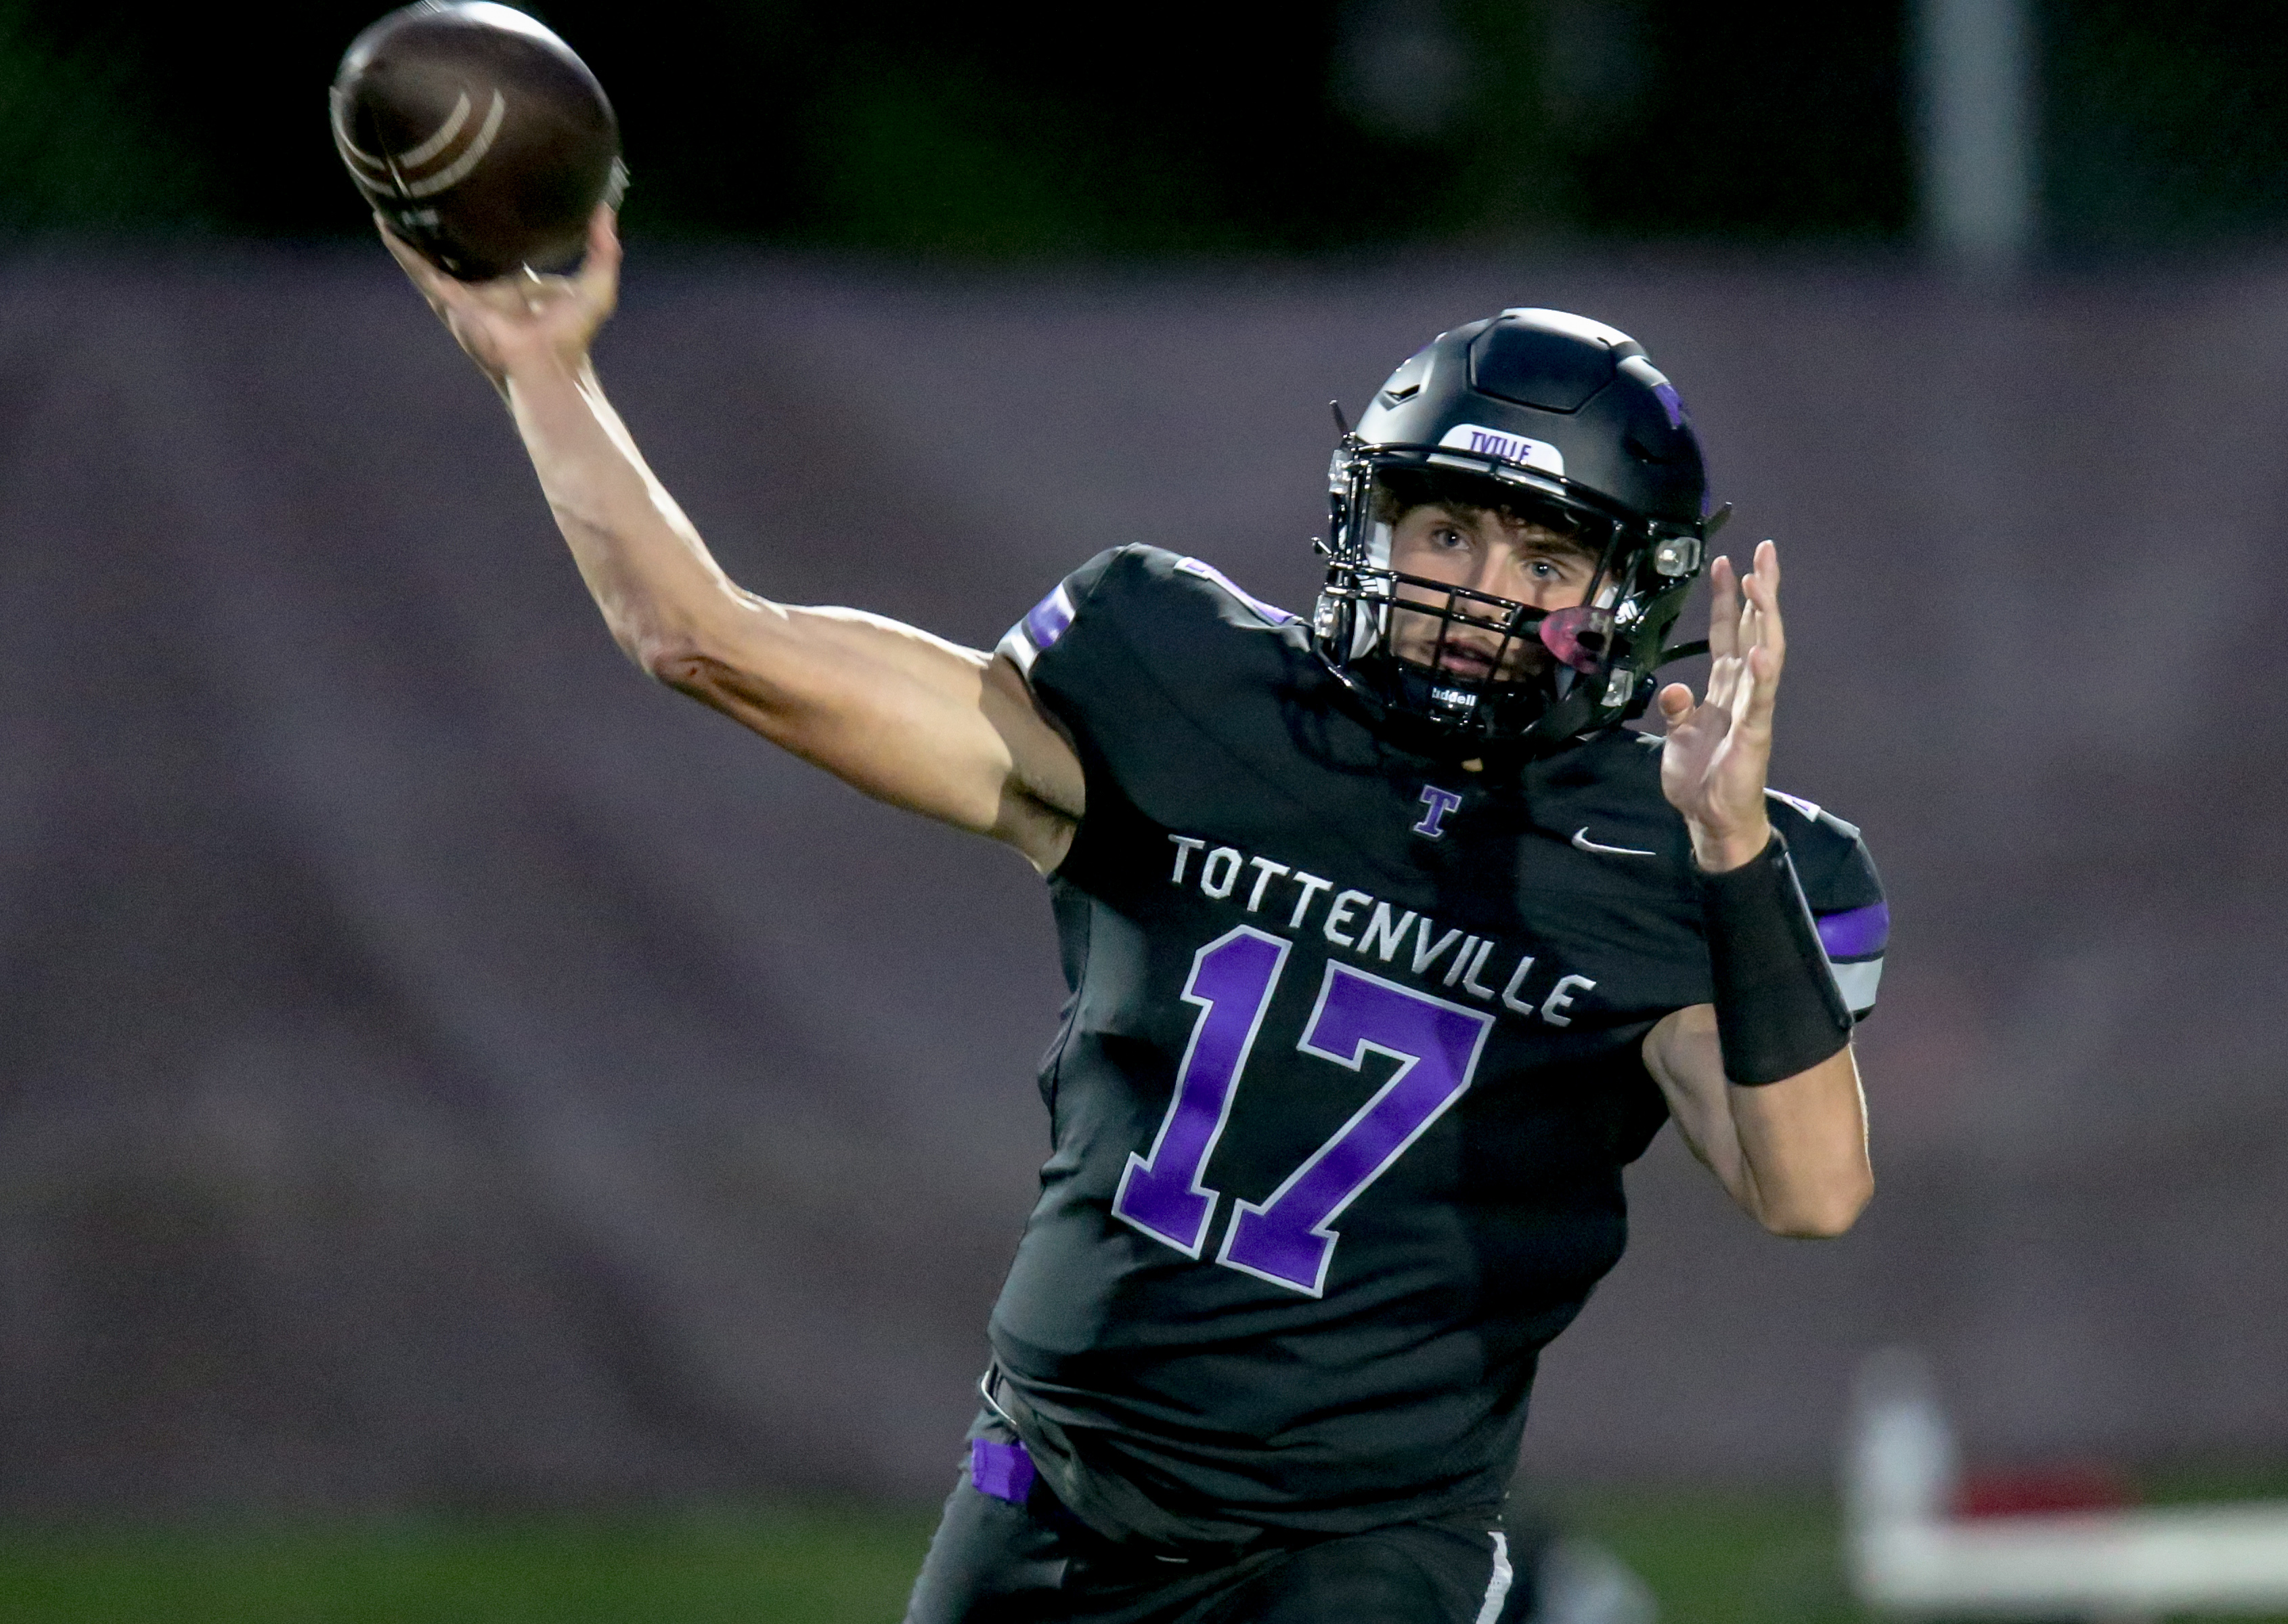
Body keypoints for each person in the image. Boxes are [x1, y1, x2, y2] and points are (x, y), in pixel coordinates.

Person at [383, 207, 1885, 1624]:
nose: (1478, 593)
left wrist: (1736, 848)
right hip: (1050, 1490)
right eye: (1446, 534)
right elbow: (710, 643)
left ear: (1628, 597)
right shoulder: (1191, 689)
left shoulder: (1693, 856)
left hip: (1350, 1553)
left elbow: (1807, 1187)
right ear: (1371, 527)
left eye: (1544, 557)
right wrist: (544, 372)